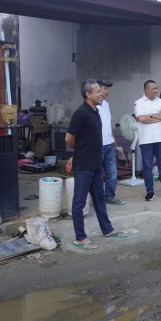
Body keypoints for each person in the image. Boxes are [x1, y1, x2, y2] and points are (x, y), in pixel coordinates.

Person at [65, 80, 127, 250]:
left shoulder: (95, 111)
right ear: (88, 94)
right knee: (79, 201)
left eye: (102, 91)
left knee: (99, 198)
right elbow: (69, 138)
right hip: (84, 164)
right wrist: (80, 151)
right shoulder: (81, 113)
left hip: (96, 164)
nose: (102, 93)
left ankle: (107, 229)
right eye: (98, 91)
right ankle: (80, 237)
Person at [134, 80, 161, 201]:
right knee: (147, 166)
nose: (156, 91)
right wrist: (157, 116)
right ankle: (150, 192)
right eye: (153, 88)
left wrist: (150, 116)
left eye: (157, 88)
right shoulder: (138, 103)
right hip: (146, 140)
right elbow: (141, 118)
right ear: (146, 90)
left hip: (160, 139)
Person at [97, 79, 124, 205]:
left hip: (109, 144)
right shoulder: (92, 105)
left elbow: (107, 125)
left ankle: (109, 197)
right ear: (98, 89)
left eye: (107, 89)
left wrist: (113, 140)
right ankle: (98, 198)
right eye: (105, 88)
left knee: (112, 172)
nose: (107, 91)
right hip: (97, 145)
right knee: (96, 173)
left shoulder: (106, 104)